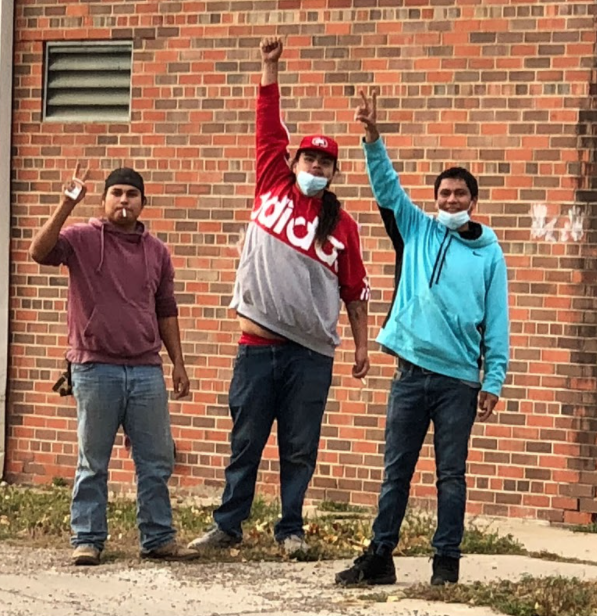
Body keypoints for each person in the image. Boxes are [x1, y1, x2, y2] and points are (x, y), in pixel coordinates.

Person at [190, 36, 371, 556]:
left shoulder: (344, 227)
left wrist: (360, 346)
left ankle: (291, 528)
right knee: (245, 440)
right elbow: (267, 123)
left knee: (299, 447)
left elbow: (354, 291)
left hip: (311, 353)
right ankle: (229, 523)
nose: (315, 169)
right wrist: (268, 67)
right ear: (292, 163)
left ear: (335, 173)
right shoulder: (270, 183)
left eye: (324, 164)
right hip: (258, 346)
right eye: (308, 160)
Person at [335, 89, 509, 587]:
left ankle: (446, 564)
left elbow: (497, 321)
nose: (450, 201)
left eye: (459, 195)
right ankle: (380, 557)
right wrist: (372, 136)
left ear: (472, 202)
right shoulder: (418, 230)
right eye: (443, 195)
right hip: (410, 374)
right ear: (434, 201)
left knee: (451, 477)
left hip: (458, 382)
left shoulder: (488, 255)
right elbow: (387, 187)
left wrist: (492, 379)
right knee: (396, 473)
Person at [30, 163, 199, 566]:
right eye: (116, 193)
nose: (124, 200)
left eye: (132, 194)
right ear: (104, 199)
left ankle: (158, 538)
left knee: (156, 460)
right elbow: (39, 252)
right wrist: (65, 205)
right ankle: (87, 539)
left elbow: (166, 308)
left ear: (143, 202)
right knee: (94, 460)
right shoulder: (81, 239)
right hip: (94, 367)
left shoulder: (157, 252)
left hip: (145, 370)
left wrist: (178, 363)